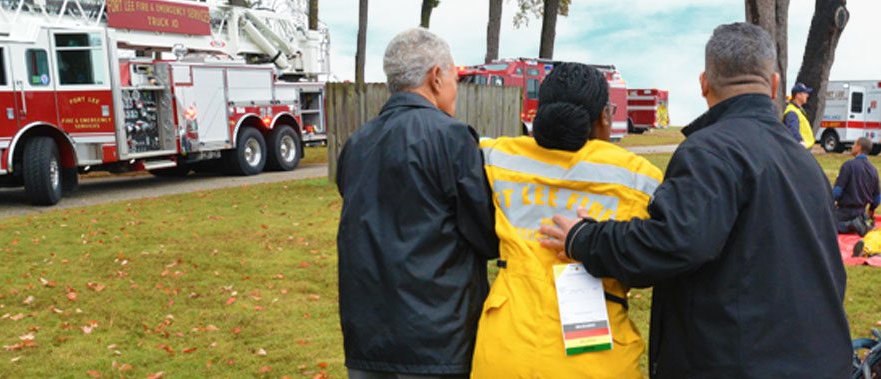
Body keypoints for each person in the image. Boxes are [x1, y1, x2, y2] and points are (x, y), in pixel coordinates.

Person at [538, 23, 852, 378]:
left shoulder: (710, 152)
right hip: (821, 361)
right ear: (775, 84)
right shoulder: (806, 164)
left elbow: (671, 243)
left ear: (704, 83)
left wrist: (585, 239)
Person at [471, 63, 662, 379]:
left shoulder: (497, 157)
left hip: (504, 352)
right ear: (604, 116)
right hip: (594, 359)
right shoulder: (638, 177)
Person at [335, 28, 499, 378]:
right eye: (455, 77)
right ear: (436, 77)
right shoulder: (452, 138)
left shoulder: (357, 143)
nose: (457, 89)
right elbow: (485, 234)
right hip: (435, 341)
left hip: (367, 337)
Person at [833, 137, 880, 236]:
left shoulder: (848, 166)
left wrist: (828, 203)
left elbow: (837, 192)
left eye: (854, 144)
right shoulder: (873, 170)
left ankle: (849, 225)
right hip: (861, 213)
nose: (852, 147)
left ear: (859, 147)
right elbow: (877, 198)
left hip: (844, 213)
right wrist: (871, 210)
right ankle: (858, 225)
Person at [782, 82, 815, 149]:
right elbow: (793, 129)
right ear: (798, 95)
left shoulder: (798, 110)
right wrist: (800, 141)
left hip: (802, 148)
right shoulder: (792, 112)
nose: (807, 95)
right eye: (805, 93)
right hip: (800, 148)